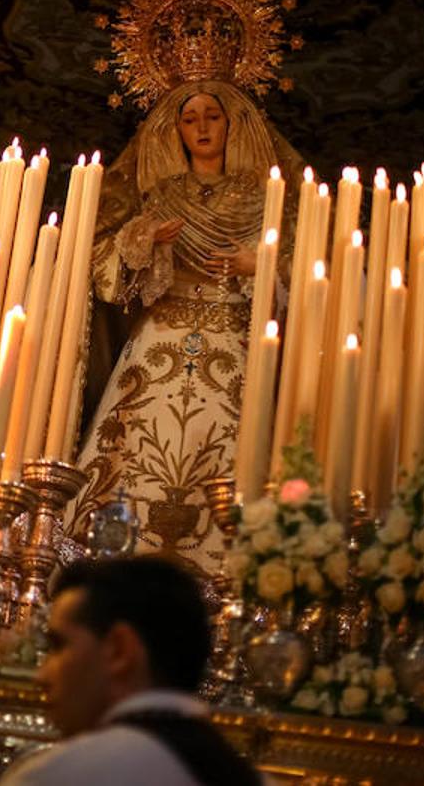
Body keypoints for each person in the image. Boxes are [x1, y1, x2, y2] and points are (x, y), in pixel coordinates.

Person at [67, 82, 304, 576]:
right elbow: (109, 272)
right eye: (189, 117)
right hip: (160, 341)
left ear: (231, 124)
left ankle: (224, 572)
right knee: (130, 450)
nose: (201, 127)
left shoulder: (264, 197)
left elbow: (309, 267)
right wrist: (144, 240)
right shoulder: (161, 194)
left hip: (235, 339)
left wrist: (257, 264)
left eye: (212, 116)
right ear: (174, 129)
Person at [0, 556, 260, 786]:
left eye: (59, 646)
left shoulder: (56, 776)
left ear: (119, 651)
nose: (41, 677)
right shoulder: (256, 779)